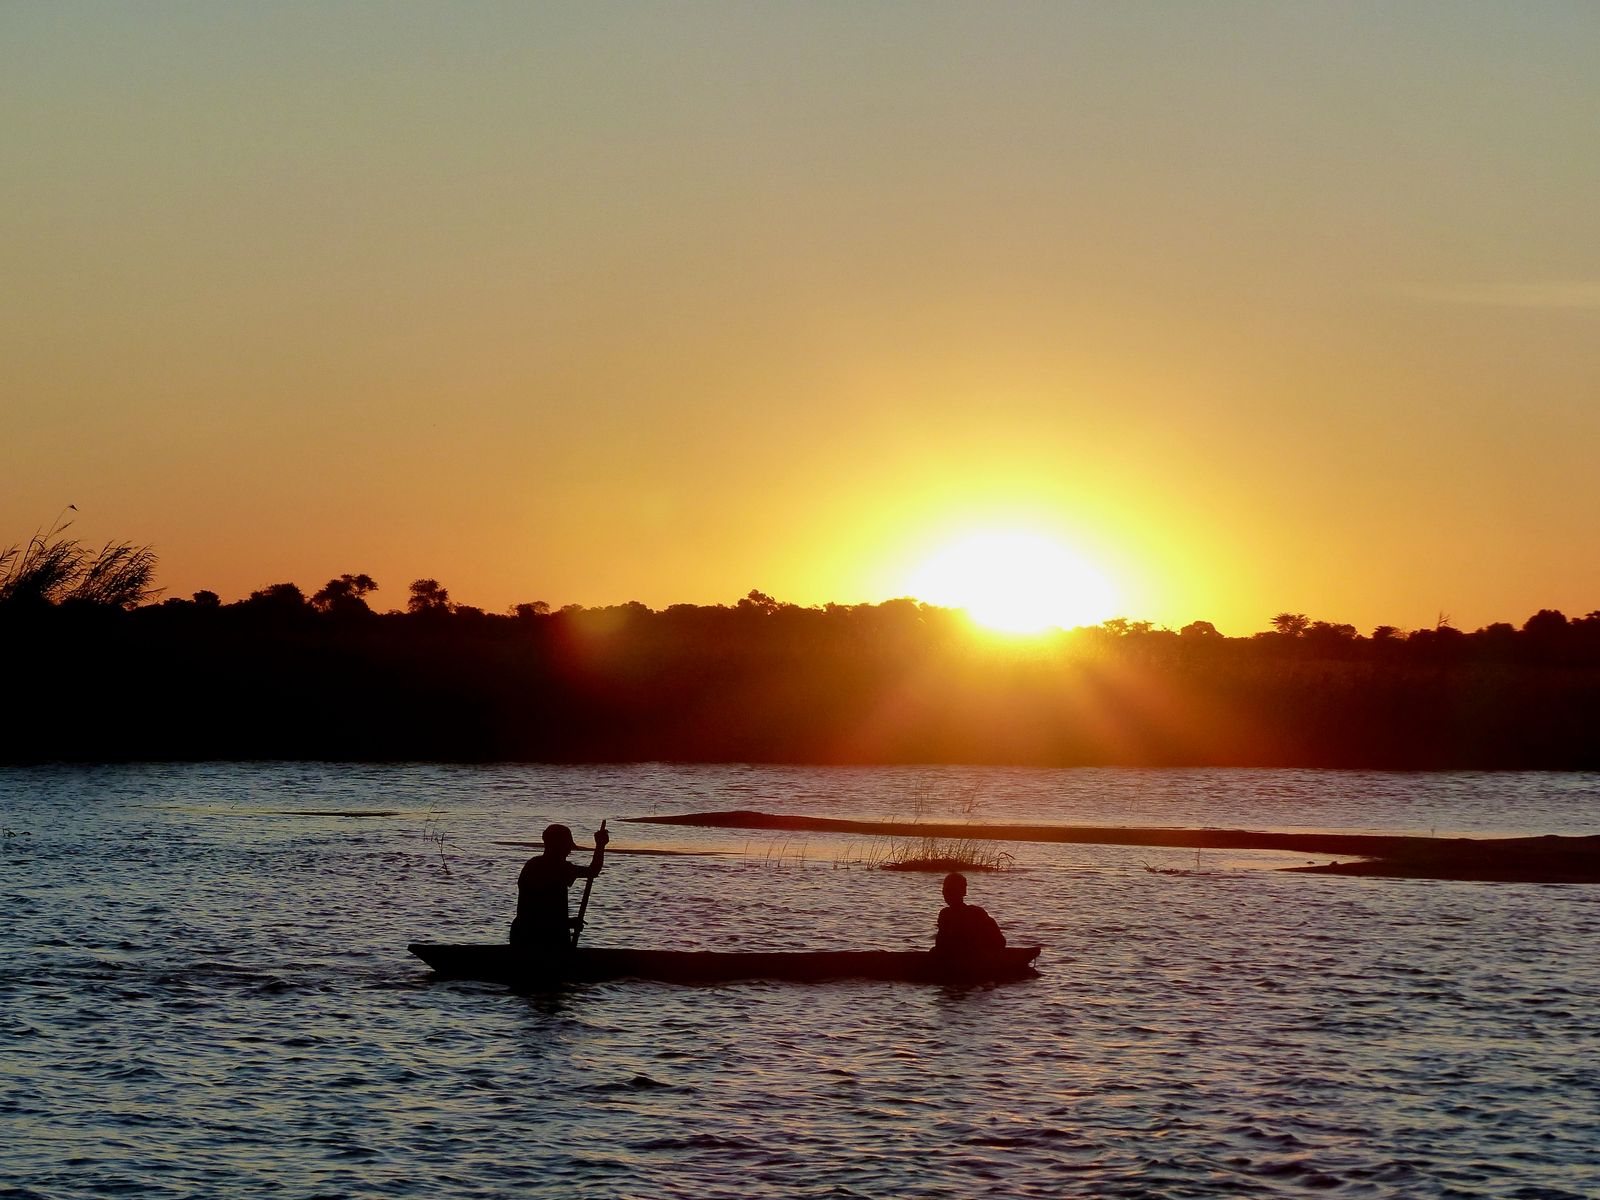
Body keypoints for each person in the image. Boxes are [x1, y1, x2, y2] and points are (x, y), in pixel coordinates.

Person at [510, 823, 609, 950]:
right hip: (538, 937)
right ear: (557, 846)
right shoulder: (558, 868)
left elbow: (593, 871)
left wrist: (600, 846)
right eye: (567, 847)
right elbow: (538, 916)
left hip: (522, 934)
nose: (569, 851)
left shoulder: (531, 865)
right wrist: (600, 846)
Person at [932, 871, 1006, 956]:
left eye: (950, 890)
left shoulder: (977, 914)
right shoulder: (945, 914)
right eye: (945, 889)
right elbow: (941, 945)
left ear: (963, 892)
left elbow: (1000, 942)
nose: (945, 893)